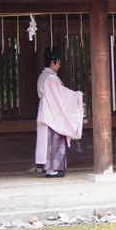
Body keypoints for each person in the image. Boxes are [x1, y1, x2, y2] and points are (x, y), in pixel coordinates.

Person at [36, 47, 83, 178]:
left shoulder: (43, 76)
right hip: (52, 113)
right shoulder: (50, 78)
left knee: (48, 141)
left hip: (47, 110)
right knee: (54, 141)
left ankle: (49, 167)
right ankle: (52, 168)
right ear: (53, 62)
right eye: (59, 62)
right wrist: (77, 95)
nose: (60, 65)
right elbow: (60, 95)